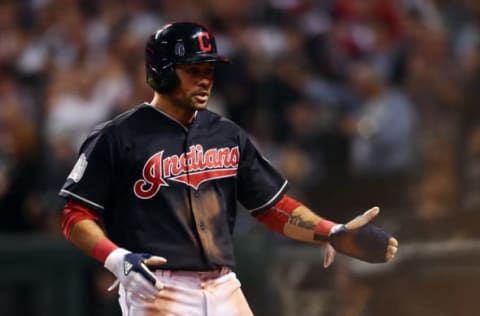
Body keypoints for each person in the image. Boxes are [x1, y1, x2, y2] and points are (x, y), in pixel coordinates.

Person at [59, 22, 398, 316]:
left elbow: (272, 207)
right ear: (160, 72)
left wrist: (330, 231)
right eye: (193, 69)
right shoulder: (118, 136)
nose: (205, 78)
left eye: (209, 69)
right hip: (158, 287)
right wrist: (115, 257)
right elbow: (74, 214)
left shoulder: (226, 133)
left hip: (223, 284)